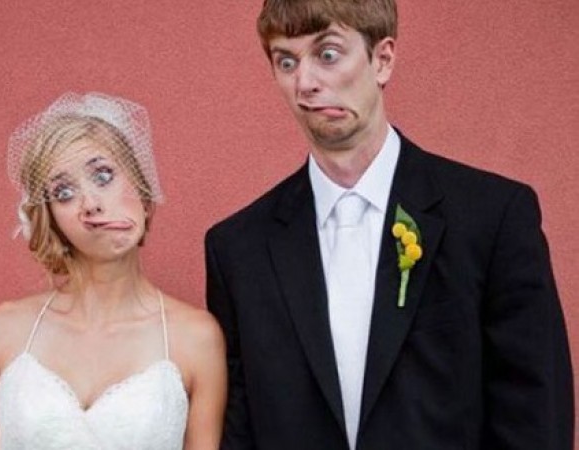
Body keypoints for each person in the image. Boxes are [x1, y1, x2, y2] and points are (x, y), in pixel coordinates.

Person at [205, 1, 574, 449]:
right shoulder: (237, 250)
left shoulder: (492, 217)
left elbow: (536, 415)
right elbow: (241, 429)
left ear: (382, 60)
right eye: (286, 62)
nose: (305, 83)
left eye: (327, 54)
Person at [0, 92, 226, 450]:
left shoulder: (195, 338)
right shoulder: (3, 331)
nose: (91, 203)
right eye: (64, 192)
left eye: (103, 175)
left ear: (142, 189)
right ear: (52, 220)